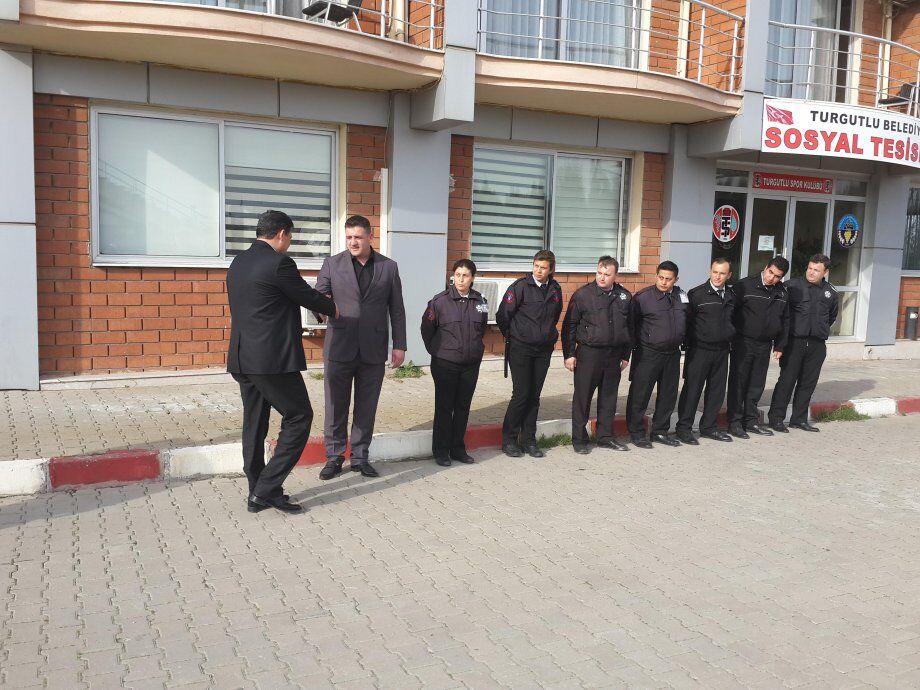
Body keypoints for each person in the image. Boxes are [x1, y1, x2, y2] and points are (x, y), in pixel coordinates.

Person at [226, 210, 338, 514]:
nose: (289, 243)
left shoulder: (239, 262)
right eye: (289, 237)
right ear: (281, 234)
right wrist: (333, 308)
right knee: (299, 417)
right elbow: (305, 295)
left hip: (242, 358)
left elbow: (268, 300)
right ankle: (265, 490)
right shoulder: (279, 263)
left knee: (254, 424)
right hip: (271, 361)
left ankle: (257, 489)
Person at [315, 215, 407, 480]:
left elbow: (397, 309)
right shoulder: (332, 264)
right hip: (339, 346)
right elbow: (318, 296)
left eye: (357, 237)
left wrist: (399, 345)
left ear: (370, 237)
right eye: (349, 237)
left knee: (367, 406)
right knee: (335, 405)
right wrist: (321, 308)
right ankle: (334, 457)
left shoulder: (388, 267)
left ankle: (360, 457)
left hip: (373, 348)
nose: (352, 242)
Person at [420, 259, 488, 466]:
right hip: (445, 364)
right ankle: (441, 451)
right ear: (453, 276)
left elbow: (482, 328)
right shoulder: (439, 302)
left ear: (472, 278)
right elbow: (426, 330)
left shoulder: (480, 301)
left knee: (462, 407)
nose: (461, 279)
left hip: (470, 364)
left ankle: (457, 448)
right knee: (444, 407)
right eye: (457, 275)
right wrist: (437, 351)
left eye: (465, 275)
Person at [561, 256, 632, 454]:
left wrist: (626, 355)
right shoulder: (583, 295)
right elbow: (569, 326)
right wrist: (569, 354)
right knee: (582, 398)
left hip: (613, 355)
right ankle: (579, 439)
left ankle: (605, 437)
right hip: (589, 354)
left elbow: (630, 327)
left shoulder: (624, 296)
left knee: (609, 399)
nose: (602, 277)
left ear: (615, 275)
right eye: (599, 273)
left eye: (607, 274)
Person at [496, 250, 563, 459]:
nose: (538, 271)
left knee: (534, 396)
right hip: (521, 348)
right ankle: (509, 440)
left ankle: (529, 441)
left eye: (543, 267)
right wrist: (517, 335)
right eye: (536, 266)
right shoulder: (520, 287)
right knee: (521, 394)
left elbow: (554, 315)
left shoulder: (555, 289)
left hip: (543, 350)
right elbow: (503, 316)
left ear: (551, 269)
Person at [768, 254, 838, 433]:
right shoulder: (791, 286)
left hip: (817, 344)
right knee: (786, 381)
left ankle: (799, 419)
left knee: (808, 384)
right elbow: (781, 314)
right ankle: (776, 419)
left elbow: (831, 316)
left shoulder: (830, 292)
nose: (811, 272)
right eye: (810, 268)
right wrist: (780, 343)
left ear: (825, 272)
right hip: (794, 342)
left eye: (816, 270)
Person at [625, 261, 688, 449]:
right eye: (661, 277)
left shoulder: (682, 297)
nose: (664, 282)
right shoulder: (643, 297)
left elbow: (688, 320)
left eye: (668, 279)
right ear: (656, 276)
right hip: (648, 353)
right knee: (640, 394)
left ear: (676, 279)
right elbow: (631, 325)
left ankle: (660, 431)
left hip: (672, 354)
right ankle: (637, 433)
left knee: (668, 395)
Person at [726, 255, 790, 439]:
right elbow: (730, 312)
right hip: (743, 342)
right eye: (770, 272)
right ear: (766, 267)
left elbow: (785, 320)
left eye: (777, 276)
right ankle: (734, 423)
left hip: (765, 344)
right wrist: (730, 337)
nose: (772, 278)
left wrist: (780, 345)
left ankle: (751, 421)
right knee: (739, 383)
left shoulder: (782, 293)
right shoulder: (745, 285)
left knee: (756, 384)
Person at [675, 258, 736, 444]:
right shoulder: (697, 294)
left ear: (729, 275)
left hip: (722, 350)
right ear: (710, 271)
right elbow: (687, 322)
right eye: (715, 272)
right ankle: (684, 428)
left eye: (722, 273)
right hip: (699, 350)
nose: (718, 276)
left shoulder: (732, 295)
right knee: (692, 390)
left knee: (716, 391)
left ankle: (709, 427)